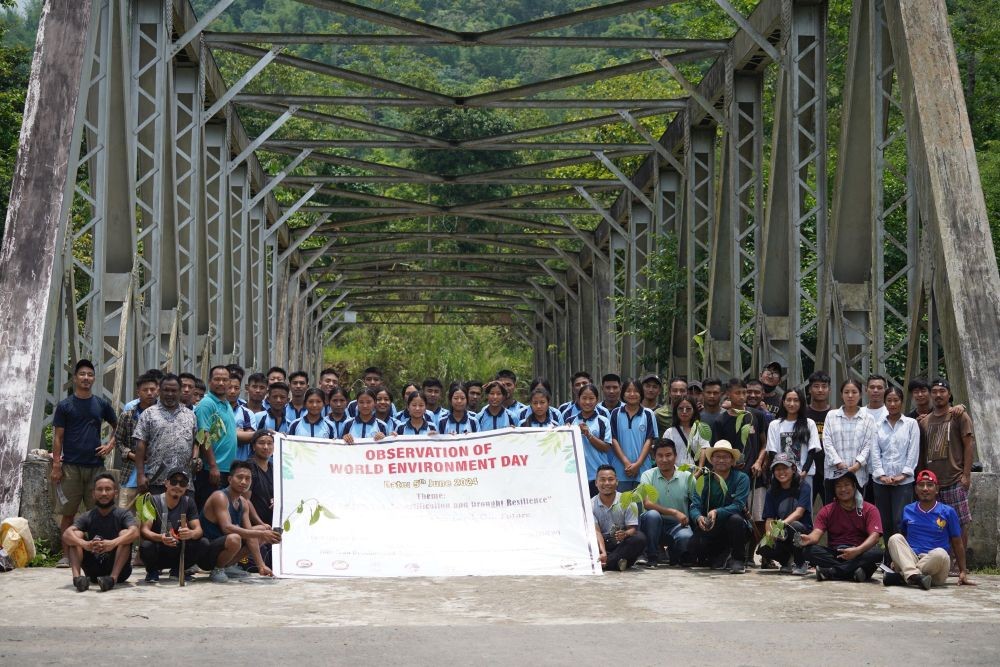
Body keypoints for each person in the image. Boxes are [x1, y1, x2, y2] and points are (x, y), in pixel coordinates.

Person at [51, 359, 119, 566]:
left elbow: (119, 426)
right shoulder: (65, 406)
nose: (86, 378)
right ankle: (67, 556)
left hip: (96, 467)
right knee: (68, 513)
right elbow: (58, 437)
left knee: (99, 513)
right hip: (70, 467)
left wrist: (110, 445)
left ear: (94, 378)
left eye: (90, 374)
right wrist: (56, 465)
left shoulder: (101, 404)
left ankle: (99, 554)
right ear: (74, 378)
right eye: (82, 374)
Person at [885, 470, 973, 589]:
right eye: (921, 485)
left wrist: (963, 571)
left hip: (936, 566)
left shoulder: (948, 512)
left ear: (936, 489)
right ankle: (915, 577)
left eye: (929, 485)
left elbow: (957, 543)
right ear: (916, 490)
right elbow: (904, 537)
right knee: (895, 538)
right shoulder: (908, 510)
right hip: (913, 559)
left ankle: (906, 576)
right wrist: (898, 557)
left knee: (941, 554)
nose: (925, 489)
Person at [919, 378, 975, 558]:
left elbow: (969, 445)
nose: (938, 395)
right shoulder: (924, 422)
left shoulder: (959, 416)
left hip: (954, 479)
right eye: (934, 391)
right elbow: (921, 454)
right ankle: (943, 559)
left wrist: (966, 475)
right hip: (933, 484)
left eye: (942, 391)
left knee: (959, 523)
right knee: (936, 523)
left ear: (949, 394)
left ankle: (959, 562)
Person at [199, 461, 279, 581]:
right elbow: (227, 528)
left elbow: (250, 535)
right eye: (240, 477)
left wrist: (261, 566)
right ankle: (218, 569)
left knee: (262, 530)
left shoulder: (243, 502)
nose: (244, 482)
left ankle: (228, 566)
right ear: (230, 479)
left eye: (248, 478)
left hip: (226, 548)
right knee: (235, 538)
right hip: (205, 553)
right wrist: (261, 533)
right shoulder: (220, 497)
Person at [799, 469, 883, 582]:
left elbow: (875, 536)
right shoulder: (827, 510)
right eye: (838, 486)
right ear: (834, 490)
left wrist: (857, 551)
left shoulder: (869, 509)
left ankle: (832, 572)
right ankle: (854, 572)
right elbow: (816, 534)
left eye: (847, 484)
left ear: (854, 486)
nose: (843, 489)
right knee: (808, 551)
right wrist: (808, 538)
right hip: (836, 553)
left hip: (859, 552)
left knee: (877, 553)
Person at [62, 473, 139, 592]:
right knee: (75, 535)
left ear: (116, 493)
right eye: (100, 489)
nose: (104, 493)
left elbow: (135, 533)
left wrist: (112, 543)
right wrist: (85, 545)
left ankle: (111, 579)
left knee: (125, 534)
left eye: (108, 489)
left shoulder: (123, 514)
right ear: (93, 494)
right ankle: (77, 579)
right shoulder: (88, 516)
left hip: (119, 571)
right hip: (93, 569)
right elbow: (66, 534)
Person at [689, 441, 751, 573]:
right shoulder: (704, 480)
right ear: (711, 459)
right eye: (717, 456)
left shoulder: (742, 478)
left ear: (732, 460)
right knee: (693, 547)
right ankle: (720, 555)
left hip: (734, 526)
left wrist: (717, 511)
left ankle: (738, 559)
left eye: (726, 457)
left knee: (736, 520)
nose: (721, 460)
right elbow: (695, 505)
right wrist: (698, 517)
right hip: (710, 526)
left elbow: (738, 505)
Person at [138, 468, 208, 583]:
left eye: (183, 483)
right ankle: (152, 571)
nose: (178, 486)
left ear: (186, 487)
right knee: (146, 546)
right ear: (166, 483)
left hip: (178, 549)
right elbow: (144, 530)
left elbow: (198, 530)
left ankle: (178, 570)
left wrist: (190, 533)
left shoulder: (189, 502)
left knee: (203, 543)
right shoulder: (151, 500)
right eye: (174, 481)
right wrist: (161, 538)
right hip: (159, 549)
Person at [134, 374, 198, 497]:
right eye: (166, 390)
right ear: (159, 391)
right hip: (157, 481)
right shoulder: (148, 414)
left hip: (184, 482)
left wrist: (196, 458)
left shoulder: (191, 415)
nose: (170, 394)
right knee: (157, 516)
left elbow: (196, 442)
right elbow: (140, 446)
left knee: (184, 516)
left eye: (173, 390)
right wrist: (140, 475)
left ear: (179, 392)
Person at [871, 386, 920, 548]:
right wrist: (881, 475)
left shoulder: (911, 424)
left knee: (900, 520)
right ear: (885, 403)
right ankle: (888, 558)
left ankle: (901, 559)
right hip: (881, 482)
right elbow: (874, 452)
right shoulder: (877, 425)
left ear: (902, 402)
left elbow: (913, 452)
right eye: (889, 400)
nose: (892, 404)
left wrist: (904, 474)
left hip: (903, 482)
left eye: (896, 400)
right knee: (885, 522)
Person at [638, 440, 694, 567]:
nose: (664, 459)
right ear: (654, 457)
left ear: (675, 456)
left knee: (686, 537)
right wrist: (674, 512)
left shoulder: (687, 476)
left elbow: (696, 502)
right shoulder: (647, 475)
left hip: (678, 525)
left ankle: (674, 552)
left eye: (668, 455)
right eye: (660, 455)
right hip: (653, 524)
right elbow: (647, 503)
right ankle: (652, 556)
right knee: (652, 515)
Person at [756, 453, 812, 575]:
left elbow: (799, 513)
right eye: (777, 469)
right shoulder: (772, 491)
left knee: (795, 526)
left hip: (802, 531)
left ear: (793, 469)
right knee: (764, 547)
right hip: (782, 533)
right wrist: (770, 535)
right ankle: (786, 561)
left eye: (784, 468)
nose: (781, 472)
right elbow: (769, 518)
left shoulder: (803, 486)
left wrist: (781, 525)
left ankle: (800, 563)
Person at [822, 378, 877, 500]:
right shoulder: (831, 416)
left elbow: (869, 444)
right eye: (846, 392)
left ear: (861, 394)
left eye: (854, 392)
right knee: (833, 513)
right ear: (841, 395)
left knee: (857, 512)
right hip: (834, 473)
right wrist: (838, 462)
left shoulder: (868, 418)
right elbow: (827, 441)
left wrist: (858, 464)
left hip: (858, 474)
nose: (850, 396)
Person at [193, 365, 238, 509]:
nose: (221, 383)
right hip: (211, 471)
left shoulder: (226, 404)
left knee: (221, 512)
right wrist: (213, 466)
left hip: (225, 469)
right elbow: (203, 435)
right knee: (208, 511)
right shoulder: (207, 404)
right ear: (210, 381)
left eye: (225, 380)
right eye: (217, 379)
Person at [761, 387, 821, 492]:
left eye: (796, 400)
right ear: (783, 402)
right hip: (781, 476)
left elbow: (812, 450)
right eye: (788, 400)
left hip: (804, 476)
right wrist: (781, 472)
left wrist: (804, 471)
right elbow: (772, 451)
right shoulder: (775, 425)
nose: (792, 404)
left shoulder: (809, 423)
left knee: (803, 507)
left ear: (801, 403)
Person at [115, 373, 159, 510]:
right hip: (130, 475)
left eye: (153, 389)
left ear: (158, 390)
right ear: (138, 392)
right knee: (124, 515)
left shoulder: (164, 415)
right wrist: (132, 455)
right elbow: (118, 441)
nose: (149, 393)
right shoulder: (128, 415)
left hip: (156, 477)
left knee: (148, 519)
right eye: (145, 390)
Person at [591, 465, 647, 571]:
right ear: (596, 483)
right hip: (601, 542)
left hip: (620, 543)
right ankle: (615, 562)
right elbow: (596, 532)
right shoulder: (590, 505)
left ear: (617, 482)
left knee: (639, 538)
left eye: (610, 479)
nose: (607, 483)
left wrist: (625, 534)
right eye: (602, 480)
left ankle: (606, 563)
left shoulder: (627, 501)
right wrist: (602, 551)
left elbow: (632, 529)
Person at [609, 378, 658, 491]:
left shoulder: (648, 414)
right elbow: (613, 439)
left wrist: (638, 464)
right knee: (621, 506)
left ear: (641, 393)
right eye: (628, 391)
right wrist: (626, 462)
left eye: (636, 391)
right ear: (623, 393)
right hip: (620, 470)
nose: (632, 394)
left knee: (641, 506)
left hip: (643, 470)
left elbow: (649, 440)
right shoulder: (615, 413)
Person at [565, 383, 612, 497]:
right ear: (578, 399)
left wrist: (588, 435)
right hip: (576, 474)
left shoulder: (603, 421)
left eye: (591, 398)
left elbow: (606, 448)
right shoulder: (570, 421)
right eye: (584, 398)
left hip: (597, 474)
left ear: (597, 400)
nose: (587, 402)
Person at [804, 371, 831, 504]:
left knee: (832, 509)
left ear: (829, 389)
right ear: (810, 389)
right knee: (804, 510)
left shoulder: (835, 414)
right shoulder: (802, 413)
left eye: (824, 386)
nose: (820, 390)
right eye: (816, 386)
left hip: (829, 469)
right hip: (807, 469)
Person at [662, 396, 709, 468]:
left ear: (694, 410)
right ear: (676, 411)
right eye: (680, 409)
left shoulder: (700, 430)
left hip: (695, 472)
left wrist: (699, 470)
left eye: (688, 409)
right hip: (675, 474)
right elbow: (665, 453)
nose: (684, 412)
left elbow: (704, 449)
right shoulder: (669, 432)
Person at [228, 373, 256, 459]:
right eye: (229, 387)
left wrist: (226, 432)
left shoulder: (247, 413)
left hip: (240, 464)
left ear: (240, 390)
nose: (233, 391)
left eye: (236, 388)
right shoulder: (215, 410)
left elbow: (250, 437)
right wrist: (237, 432)